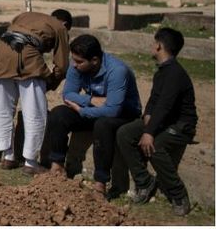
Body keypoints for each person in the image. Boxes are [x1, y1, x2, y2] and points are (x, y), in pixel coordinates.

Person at [47, 34, 141, 196]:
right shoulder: (77, 66)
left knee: (103, 125)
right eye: (73, 60)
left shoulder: (117, 71)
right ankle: (57, 165)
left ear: (95, 61)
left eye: (79, 62)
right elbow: (68, 95)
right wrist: (91, 99)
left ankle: (101, 182)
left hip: (124, 113)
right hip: (94, 108)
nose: (74, 65)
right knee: (58, 114)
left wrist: (82, 110)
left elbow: (113, 110)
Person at [116, 28, 197, 216]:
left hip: (180, 125)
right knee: (125, 133)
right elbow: (155, 101)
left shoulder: (175, 73)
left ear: (159, 46)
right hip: (163, 121)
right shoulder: (162, 71)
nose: (152, 46)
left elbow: (165, 106)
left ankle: (178, 195)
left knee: (155, 146)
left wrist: (149, 132)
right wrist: (147, 115)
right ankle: (144, 181)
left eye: (154, 43)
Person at [0, 9, 73, 175]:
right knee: (34, 113)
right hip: (27, 58)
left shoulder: (25, 15)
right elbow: (63, 65)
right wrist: (50, 81)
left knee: (3, 110)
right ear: (65, 24)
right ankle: (30, 162)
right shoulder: (60, 27)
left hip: (2, 56)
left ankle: (8, 156)